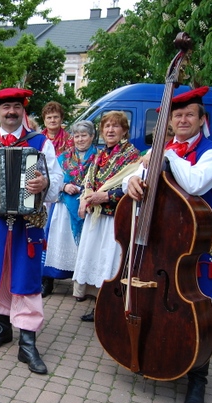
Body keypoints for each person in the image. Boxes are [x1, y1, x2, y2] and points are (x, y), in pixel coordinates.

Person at [124, 86, 212, 403]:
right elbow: (132, 180)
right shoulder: (162, 150)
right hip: (160, 244)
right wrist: (132, 183)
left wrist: (166, 156)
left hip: (192, 249)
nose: (182, 120)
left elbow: (195, 183)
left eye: (189, 115)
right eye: (177, 115)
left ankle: (198, 376)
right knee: (158, 304)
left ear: (201, 119)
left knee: (196, 312)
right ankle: (157, 355)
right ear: (169, 121)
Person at [0, 87, 64, 374]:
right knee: (0, 273)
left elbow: (57, 177)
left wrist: (45, 183)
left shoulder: (40, 142)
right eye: (6, 107)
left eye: (16, 106)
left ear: (23, 111)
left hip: (27, 224)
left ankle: (27, 343)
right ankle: (3, 328)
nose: (11, 112)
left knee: (26, 277)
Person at [72, 111, 140, 321]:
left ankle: (112, 310)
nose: (110, 130)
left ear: (124, 130)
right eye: (106, 126)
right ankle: (100, 307)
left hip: (115, 218)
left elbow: (131, 187)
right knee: (97, 260)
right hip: (97, 217)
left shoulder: (132, 155)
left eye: (115, 126)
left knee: (110, 263)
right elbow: (89, 180)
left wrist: (106, 196)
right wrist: (85, 198)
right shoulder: (101, 154)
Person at [41, 120, 97, 297]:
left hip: (86, 209)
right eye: (77, 136)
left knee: (83, 247)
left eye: (84, 135)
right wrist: (64, 186)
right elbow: (51, 178)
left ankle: (81, 287)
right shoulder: (63, 157)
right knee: (55, 243)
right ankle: (47, 281)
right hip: (62, 208)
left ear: (92, 136)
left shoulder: (99, 157)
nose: (80, 139)